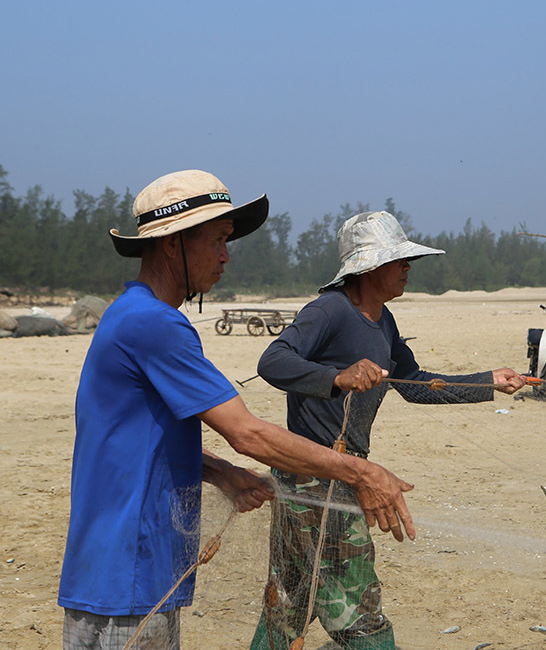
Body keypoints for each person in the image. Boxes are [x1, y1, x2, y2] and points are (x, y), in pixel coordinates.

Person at [58, 171, 417, 650]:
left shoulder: (129, 314)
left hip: (110, 566)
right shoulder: (156, 325)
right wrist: (362, 473)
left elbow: (135, 439)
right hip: (131, 570)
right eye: (218, 241)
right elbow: (248, 433)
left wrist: (222, 473)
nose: (227, 255)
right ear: (172, 244)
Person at [250, 211, 527, 650]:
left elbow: (416, 386)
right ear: (368, 267)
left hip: (340, 471)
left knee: (288, 602)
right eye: (398, 260)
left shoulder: (384, 321)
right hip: (316, 475)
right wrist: (338, 377)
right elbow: (273, 361)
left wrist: (488, 380)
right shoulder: (329, 310)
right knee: (355, 604)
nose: (407, 269)